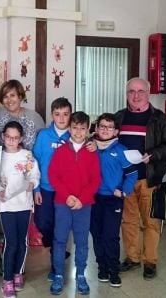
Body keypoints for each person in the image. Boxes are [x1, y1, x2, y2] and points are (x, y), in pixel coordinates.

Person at [115, 77, 166, 280]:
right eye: (131, 91)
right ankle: (132, 258)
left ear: (148, 94)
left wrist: (153, 154)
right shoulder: (119, 117)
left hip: (149, 180)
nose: (136, 95)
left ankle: (150, 261)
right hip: (126, 180)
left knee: (151, 222)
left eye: (140, 91)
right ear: (126, 94)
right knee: (128, 221)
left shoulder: (158, 118)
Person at [48, 111, 101, 295]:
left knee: (82, 242)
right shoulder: (60, 151)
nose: (78, 132)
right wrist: (67, 196)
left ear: (88, 130)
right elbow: (53, 176)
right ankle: (59, 274)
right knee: (60, 240)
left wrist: (82, 199)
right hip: (62, 203)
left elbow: (96, 180)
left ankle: (80, 274)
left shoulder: (92, 153)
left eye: (82, 128)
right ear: (69, 128)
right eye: (75, 128)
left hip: (83, 205)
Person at [90, 113, 138, 288]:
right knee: (96, 234)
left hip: (112, 200)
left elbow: (132, 174)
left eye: (109, 127)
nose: (105, 130)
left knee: (110, 236)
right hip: (93, 198)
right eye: (102, 126)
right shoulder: (90, 147)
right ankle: (102, 268)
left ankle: (113, 270)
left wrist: (124, 192)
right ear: (96, 128)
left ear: (116, 131)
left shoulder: (121, 150)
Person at [0, 121, 40, 298]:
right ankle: (7, 280)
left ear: (21, 138)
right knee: (11, 242)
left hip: (24, 204)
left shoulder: (27, 155)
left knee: (22, 241)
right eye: (8, 137)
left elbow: (35, 174)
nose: (12, 141)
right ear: (3, 137)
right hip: (6, 206)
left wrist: (31, 183)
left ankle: (17, 273)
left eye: (15, 138)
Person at [32, 97, 72, 281]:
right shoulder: (43, 136)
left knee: (61, 227)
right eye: (57, 114)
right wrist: (36, 189)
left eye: (65, 114)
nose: (62, 118)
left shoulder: (75, 137)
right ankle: (57, 249)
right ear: (52, 115)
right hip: (46, 189)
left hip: (66, 191)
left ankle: (57, 267)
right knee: (43, 223)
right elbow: (35, 163)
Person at [0, 79, 45, 150]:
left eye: (12, 95)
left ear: (20, 97)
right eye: (5, 97)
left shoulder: (34, 117)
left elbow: (44, 142)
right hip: (0, 159)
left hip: (27, 159)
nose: (9, 100)